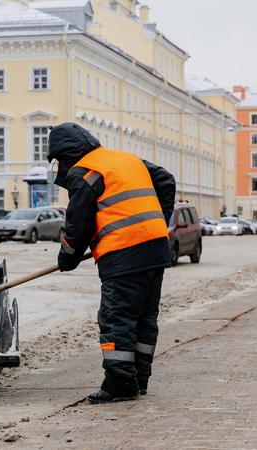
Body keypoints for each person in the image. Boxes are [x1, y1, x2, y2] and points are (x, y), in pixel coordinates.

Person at [47, 123, 175, 404]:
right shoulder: (126, 159)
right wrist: (156, 222)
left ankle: (119, 381)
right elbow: (166, 180)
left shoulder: (85, 172)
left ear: (66, 155)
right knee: (144, 319)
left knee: (117, 318)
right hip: (155, 248)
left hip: (124, 253)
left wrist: (66, 258)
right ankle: (138, 379)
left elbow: (77, 225)